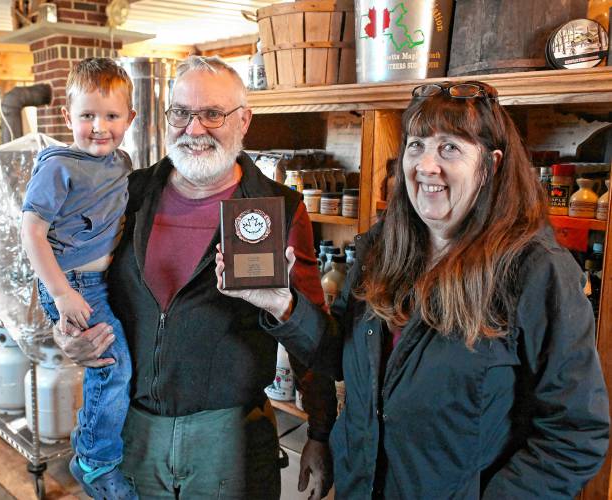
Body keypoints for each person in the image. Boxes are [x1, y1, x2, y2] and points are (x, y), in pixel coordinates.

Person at [216, 80, 611, 498]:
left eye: (450, 148)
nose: (426, 165)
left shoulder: (535, 271)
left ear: (491, 165)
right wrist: (284, 305)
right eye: (417, 144)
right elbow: (340, 354)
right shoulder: (382, 248)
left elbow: (575, 434)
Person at [53, 55, 337, 499]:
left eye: (212, 114)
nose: (194, 128)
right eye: (181, 113)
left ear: (244, 121)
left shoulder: (278, 208)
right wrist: (68, 334)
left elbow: (317, 346)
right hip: (132, 433)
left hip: (230, 445)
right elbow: (80, 278)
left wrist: (319, 433)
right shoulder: (128, 194)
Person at [21, 58, 138, 499]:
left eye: (110, 115)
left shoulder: (120, 163)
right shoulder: (58, 167)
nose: (98, 127)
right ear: (67, 117)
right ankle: (94, 460)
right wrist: (61, 293)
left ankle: (100, 451)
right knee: (111, 366)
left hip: (100, 282)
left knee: (117, 364)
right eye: (87, 115)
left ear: (130, 119)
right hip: (74, 285)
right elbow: (31, 231)